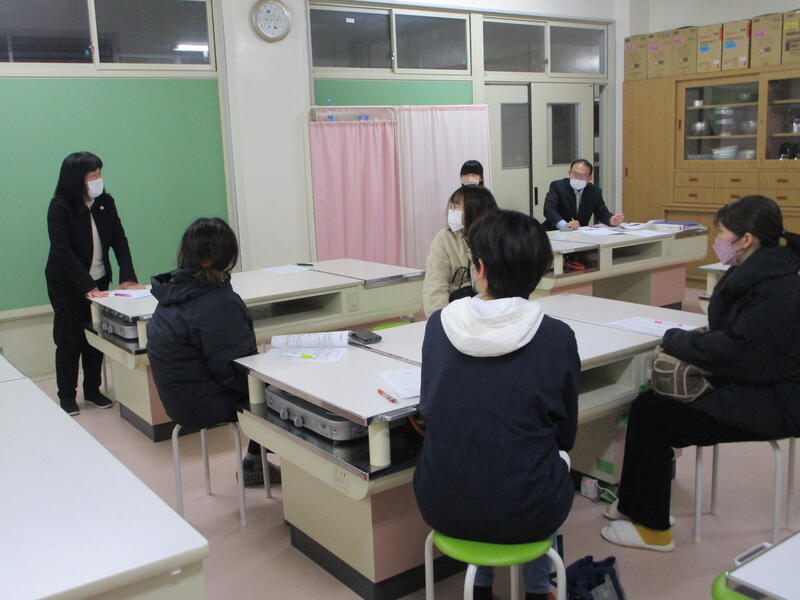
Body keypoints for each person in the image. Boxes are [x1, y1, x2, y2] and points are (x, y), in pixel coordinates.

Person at [601, 195, 800, 552]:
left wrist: (677, 340)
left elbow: (741, 353)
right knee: (647, 404)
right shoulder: (764, 271)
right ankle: (635, 503)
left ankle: (653, 531)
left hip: (776, 402)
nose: (718, 240)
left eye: (722, 233)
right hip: (755, 383)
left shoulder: (775, 288)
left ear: (746, 239)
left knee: (654, 417)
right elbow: (741, 338)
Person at [414, 209, 580, 600]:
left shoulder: (438, 326)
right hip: (530, 512)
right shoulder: (557, 337)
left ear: (480, 268)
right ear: (539, 271)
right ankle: (537, 591)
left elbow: (430, 408)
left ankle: (481, 588)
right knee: (542, 460)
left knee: (481, 459)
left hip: (442, 505)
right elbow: (565, 434)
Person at [146, 218, 278, 485]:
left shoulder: (174, 291)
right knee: (288, 397)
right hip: (203, 403)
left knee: (269, 387)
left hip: (178, 399)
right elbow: (235, 370)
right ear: (229, 258)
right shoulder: (216, 301)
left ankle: (255, 461)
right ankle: (269, 470)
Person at [45, 151, 141, 416]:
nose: (98, 179)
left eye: (99, 173)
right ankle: (66, 395)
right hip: (67, 284)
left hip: (99, 279)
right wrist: (87, 286)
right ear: (76, 179)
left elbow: (119, 240)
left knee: (95, 336)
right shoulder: (60, 207)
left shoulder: (105, 203)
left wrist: (127, 276)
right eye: (92, 175)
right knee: (69, 339)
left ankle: (92, 389)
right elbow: (62, 251)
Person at [422, 185, 498, 317]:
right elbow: (434, 285)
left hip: (491, 311)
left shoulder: (497, 238)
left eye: (457, 206)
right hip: (454, 312)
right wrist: (438, 319)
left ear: (475, 210)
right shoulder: (445, 238)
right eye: (451, 206)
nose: (452, 211)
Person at [543, 159, 623, 230]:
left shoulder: (594, 191)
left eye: (583, 176)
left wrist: (611, 220)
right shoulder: (558, 186)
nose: (578, 179)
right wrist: (564, 225)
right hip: (554, 231)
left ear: (589, 178)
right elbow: (549, 209)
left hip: (579, 233)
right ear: (569, 173)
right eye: (575, 174)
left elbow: (602, 213)